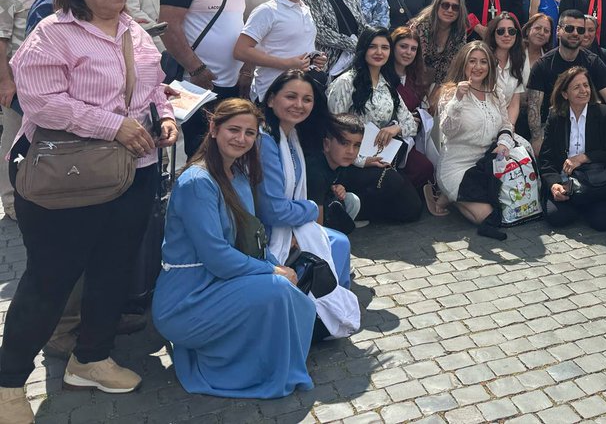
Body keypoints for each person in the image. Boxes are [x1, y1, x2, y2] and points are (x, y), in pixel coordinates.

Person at [1, 0, 177, 405]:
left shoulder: (133, 30)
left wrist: (164, 114)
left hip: (134, 171)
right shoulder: (53, 34)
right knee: (50, 279)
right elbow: (40, 102)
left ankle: (91, 358)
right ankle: (8, 383)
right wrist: (113, 125)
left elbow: (152, 84)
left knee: (113, 270)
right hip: (68, 175)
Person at [153, 100, 314, 399]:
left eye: (250, 133)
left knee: (294, 296)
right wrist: (273, 270)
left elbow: (251, 240)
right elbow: (217, 257)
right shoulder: (196, 182)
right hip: (188, 298)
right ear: (214, 129)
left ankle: (259, 362)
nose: (241, 139)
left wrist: (276, 264)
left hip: (219, 283)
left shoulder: (238, 174)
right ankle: (245, 367)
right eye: (234, 129)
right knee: (277, 290)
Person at [160, 0, 247, 156]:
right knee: (201, 156)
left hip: (231, 84)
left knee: (229, 155)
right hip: (199, 85)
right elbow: (169, 26)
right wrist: (196, 69)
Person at [256, 70, 353, 290]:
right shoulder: (266, 142)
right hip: (266, 233)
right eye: (291, 97)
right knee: (336, 244)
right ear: (271, 99)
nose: (299, 105)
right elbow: (273, 210)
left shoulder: (293, 137)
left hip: (289, 225)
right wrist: (310, 208)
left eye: (307, 99)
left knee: (339, 242)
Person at [325, 28, 427, 222]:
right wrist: (362, 160)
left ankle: (355, 208)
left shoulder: (387, 84)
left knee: (412, 209)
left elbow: (410, 124)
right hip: (348, 162)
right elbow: (334, 130)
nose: (379, 52)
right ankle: (343, 204)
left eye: (385, 47)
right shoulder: (346, 83)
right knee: (392, 181)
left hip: (379, 159)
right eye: (373, 47)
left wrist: (394, 128)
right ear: (363, 49)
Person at [0, 0, 59, 219]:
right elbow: (1, 39)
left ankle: (44, 190)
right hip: (20, 79)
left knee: (47, 138)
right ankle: (10, 200)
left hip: (58, 78)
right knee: (15, 138)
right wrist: (5, 82)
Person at [429, 43, 517, 239]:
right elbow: (447, 131)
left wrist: (504, 143)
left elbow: (506, 125)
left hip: (486, 164)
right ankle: (452, 195)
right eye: (473, 61)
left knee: (509, 209)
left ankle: (453, 196)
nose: (478, 67)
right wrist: (458, 99)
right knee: (488, 217)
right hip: (457, 166)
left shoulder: (495, 92)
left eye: (483, 62)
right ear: (464, 64)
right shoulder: (451, 93)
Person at [537, 67, 606, 231]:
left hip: (596, 181)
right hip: (566, 182)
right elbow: (546, 158)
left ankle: (602, 203)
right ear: (565, 94)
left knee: (602, 222)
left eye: (586, 85)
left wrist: (584, 157)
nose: (584, 91)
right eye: (576, 87)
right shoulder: (555, 117)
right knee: (557, 217)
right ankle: (579, 203)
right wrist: (553, 184)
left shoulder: (603, 114)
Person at [234, 0, 323, 103]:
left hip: (302, 91)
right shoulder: (267, 11)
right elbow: (241, 50)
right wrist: (286, 64)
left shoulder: (305, 8)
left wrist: (315, 59)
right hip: (272, 93)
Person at [526, 9, 606, 147]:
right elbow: (534, 107)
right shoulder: (542, 65)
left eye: (580, 30)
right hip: (553, 127)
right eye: (569, 28)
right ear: (558, 31)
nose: (575, 33)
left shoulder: (593, 62)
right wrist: (537, 139)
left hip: (588, 125)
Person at [410, 0, 470, 91]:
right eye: (445, 5)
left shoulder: (460, 31)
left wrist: (437, 91)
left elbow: (453, 65)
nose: (449, 10)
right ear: (437, 6)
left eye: (455, 7)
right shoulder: (420, 27)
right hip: (414, 79)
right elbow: (415, 61)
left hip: (442, 83)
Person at [484, 12, 525, 126]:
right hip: (483, 124)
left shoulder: (517, 62)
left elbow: (514, 104)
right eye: (501, 31)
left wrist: (507, 131)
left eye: (511, 31)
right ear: (493, 34)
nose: (506, 35)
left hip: (505, 125)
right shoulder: (484, 61)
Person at [385, 25, 429, 115]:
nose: (408, 52)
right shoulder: (381, 76)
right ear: (392, 47)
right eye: (403, 46)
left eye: (413, 49)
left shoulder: (416, 78)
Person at [522, 13, 553, 80]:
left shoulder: (551, 60)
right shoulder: (514, 54)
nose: (541, 33)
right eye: (537, 28)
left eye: (546, 31)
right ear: (527, 31)